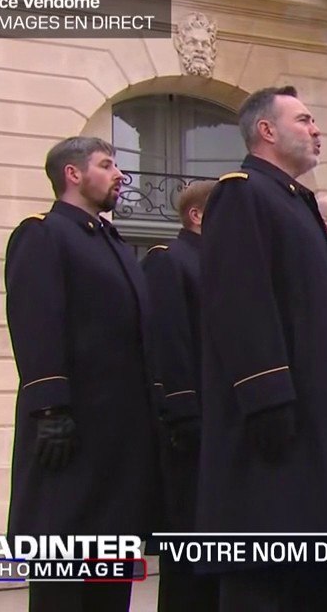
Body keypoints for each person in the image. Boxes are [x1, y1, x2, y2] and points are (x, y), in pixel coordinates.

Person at [196, 86, 327, 611]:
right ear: (267, 131)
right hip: (279, 424)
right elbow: (240, 300)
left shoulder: (293, 202)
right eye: (305, 119)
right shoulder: (242, 192)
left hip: (316, 417)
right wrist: (267, 395)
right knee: (266, 571)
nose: (317, 129)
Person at [3, 136, 161, 612]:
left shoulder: (110, 241)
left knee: (109, 578)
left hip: (119, 440)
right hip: (72, 434)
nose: (120, 175)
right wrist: (49, 406)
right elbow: (36, 322)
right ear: (73, 174)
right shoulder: (44, 233)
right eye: (107, 165)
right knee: (66, 579)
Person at [140, 179, 220, 612]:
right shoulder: (170, 260)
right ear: (197, 216)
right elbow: (169, 342)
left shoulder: (223, 264)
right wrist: (186, 412)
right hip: (193, 427)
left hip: (223, 427)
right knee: (189, 553)